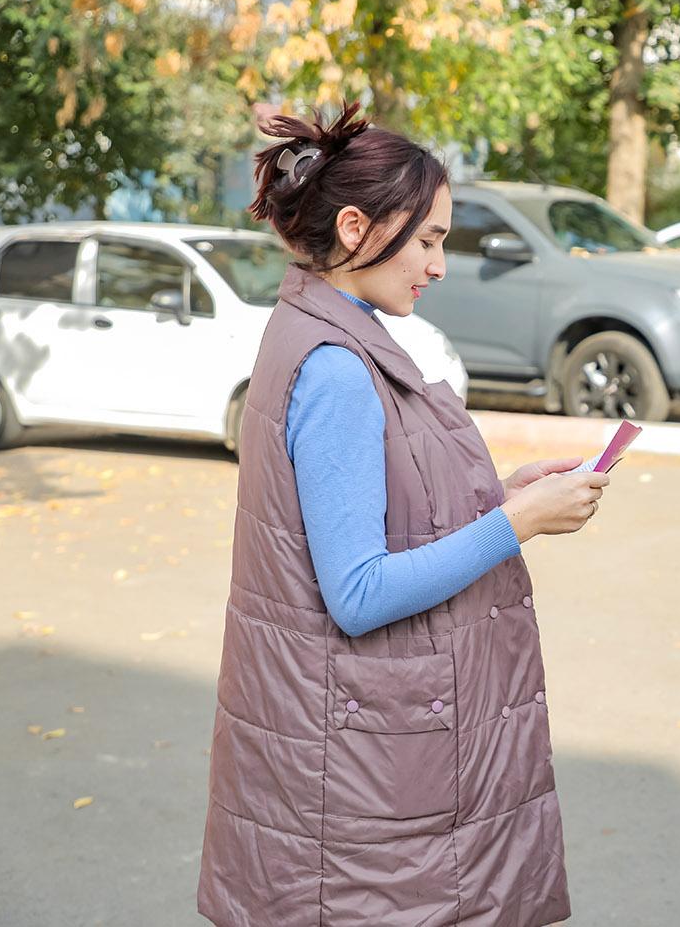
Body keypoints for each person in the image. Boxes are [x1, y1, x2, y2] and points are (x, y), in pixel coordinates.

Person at [198, 103, 606, 926]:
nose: (440, 264)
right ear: (355, 228)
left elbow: (382, 508)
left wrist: (502, 493)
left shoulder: (325, 330)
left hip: (360, 759)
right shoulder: (339, 367)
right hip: (366, 777)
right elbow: (359, 589)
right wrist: (517, 524)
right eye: (428, 239)